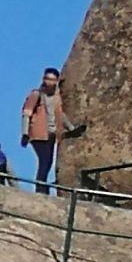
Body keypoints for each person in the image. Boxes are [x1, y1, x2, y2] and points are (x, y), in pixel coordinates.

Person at [21, 66, 82, 194]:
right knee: (45, 161)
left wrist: (72, 128)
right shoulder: (36, 94)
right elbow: (27, 112)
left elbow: (61, 115)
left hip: (51, 134)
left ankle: (42, 187)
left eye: (52, 80)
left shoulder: (56, 97)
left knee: (47, 162)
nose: (49, 82)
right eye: (47, 79)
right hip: (38, 134)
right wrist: (25, 133)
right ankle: (41, 189)